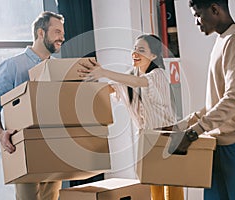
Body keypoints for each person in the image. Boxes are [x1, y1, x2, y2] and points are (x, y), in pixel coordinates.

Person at [162, 0, 235, 200]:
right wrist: (182, 126)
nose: (196, 22)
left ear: (215, 9)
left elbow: (234, 99)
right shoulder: (223, 40)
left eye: (198, 15)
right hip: (218, 141)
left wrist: (193, 133)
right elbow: (215, 102)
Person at [78, 34, 184, 200]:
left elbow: (139, 83)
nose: (135, 53)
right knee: (153, 184)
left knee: (171, 185)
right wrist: (81, 88)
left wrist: (104, 72)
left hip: (166, 135)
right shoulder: (132, 74)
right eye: (134, 49)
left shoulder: (157, 74)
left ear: (153, 56)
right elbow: (112, 89)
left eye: (141, 50)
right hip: (147, 137)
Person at [0, 11, 65, 200]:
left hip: (54, 147)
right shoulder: (13, 66)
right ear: (40, 33)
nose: (62, 37)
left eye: (62, 32)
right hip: (24, 148)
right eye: (57, 32)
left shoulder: (59, 69)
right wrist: (0, 133)